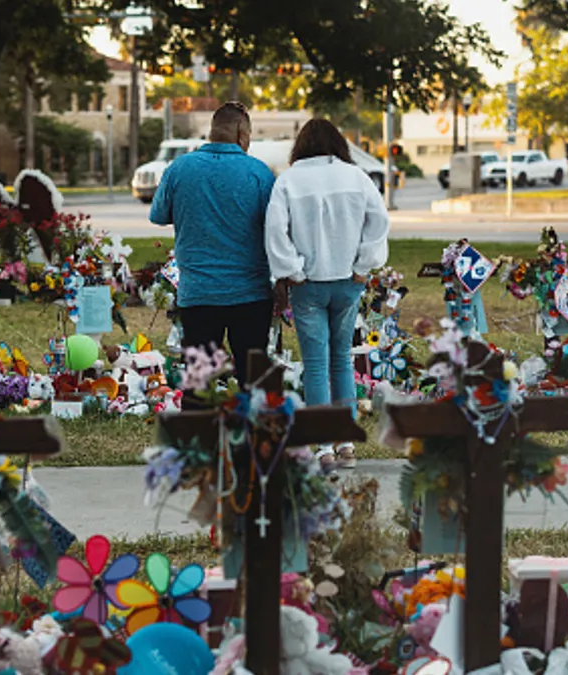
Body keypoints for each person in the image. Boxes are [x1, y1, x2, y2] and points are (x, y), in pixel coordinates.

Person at [265, 119, 390, 470]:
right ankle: (347, 442)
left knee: (317, 364)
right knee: (343, 360)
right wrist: (364, 265)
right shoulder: (357, 176)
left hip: (309, 284)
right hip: (349, 279)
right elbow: (379, 222)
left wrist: (292, 271)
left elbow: (275, 229)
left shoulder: (288, 180)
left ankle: (322, 447)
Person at [149, 102, 277, 398]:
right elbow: (275, 227)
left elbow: (157, 215)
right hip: (250, 293)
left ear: (212, 131)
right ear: (242, 133)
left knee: (199, 380)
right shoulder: (258, 173)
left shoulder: (179, 168)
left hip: (198, 292)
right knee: (253, 381)